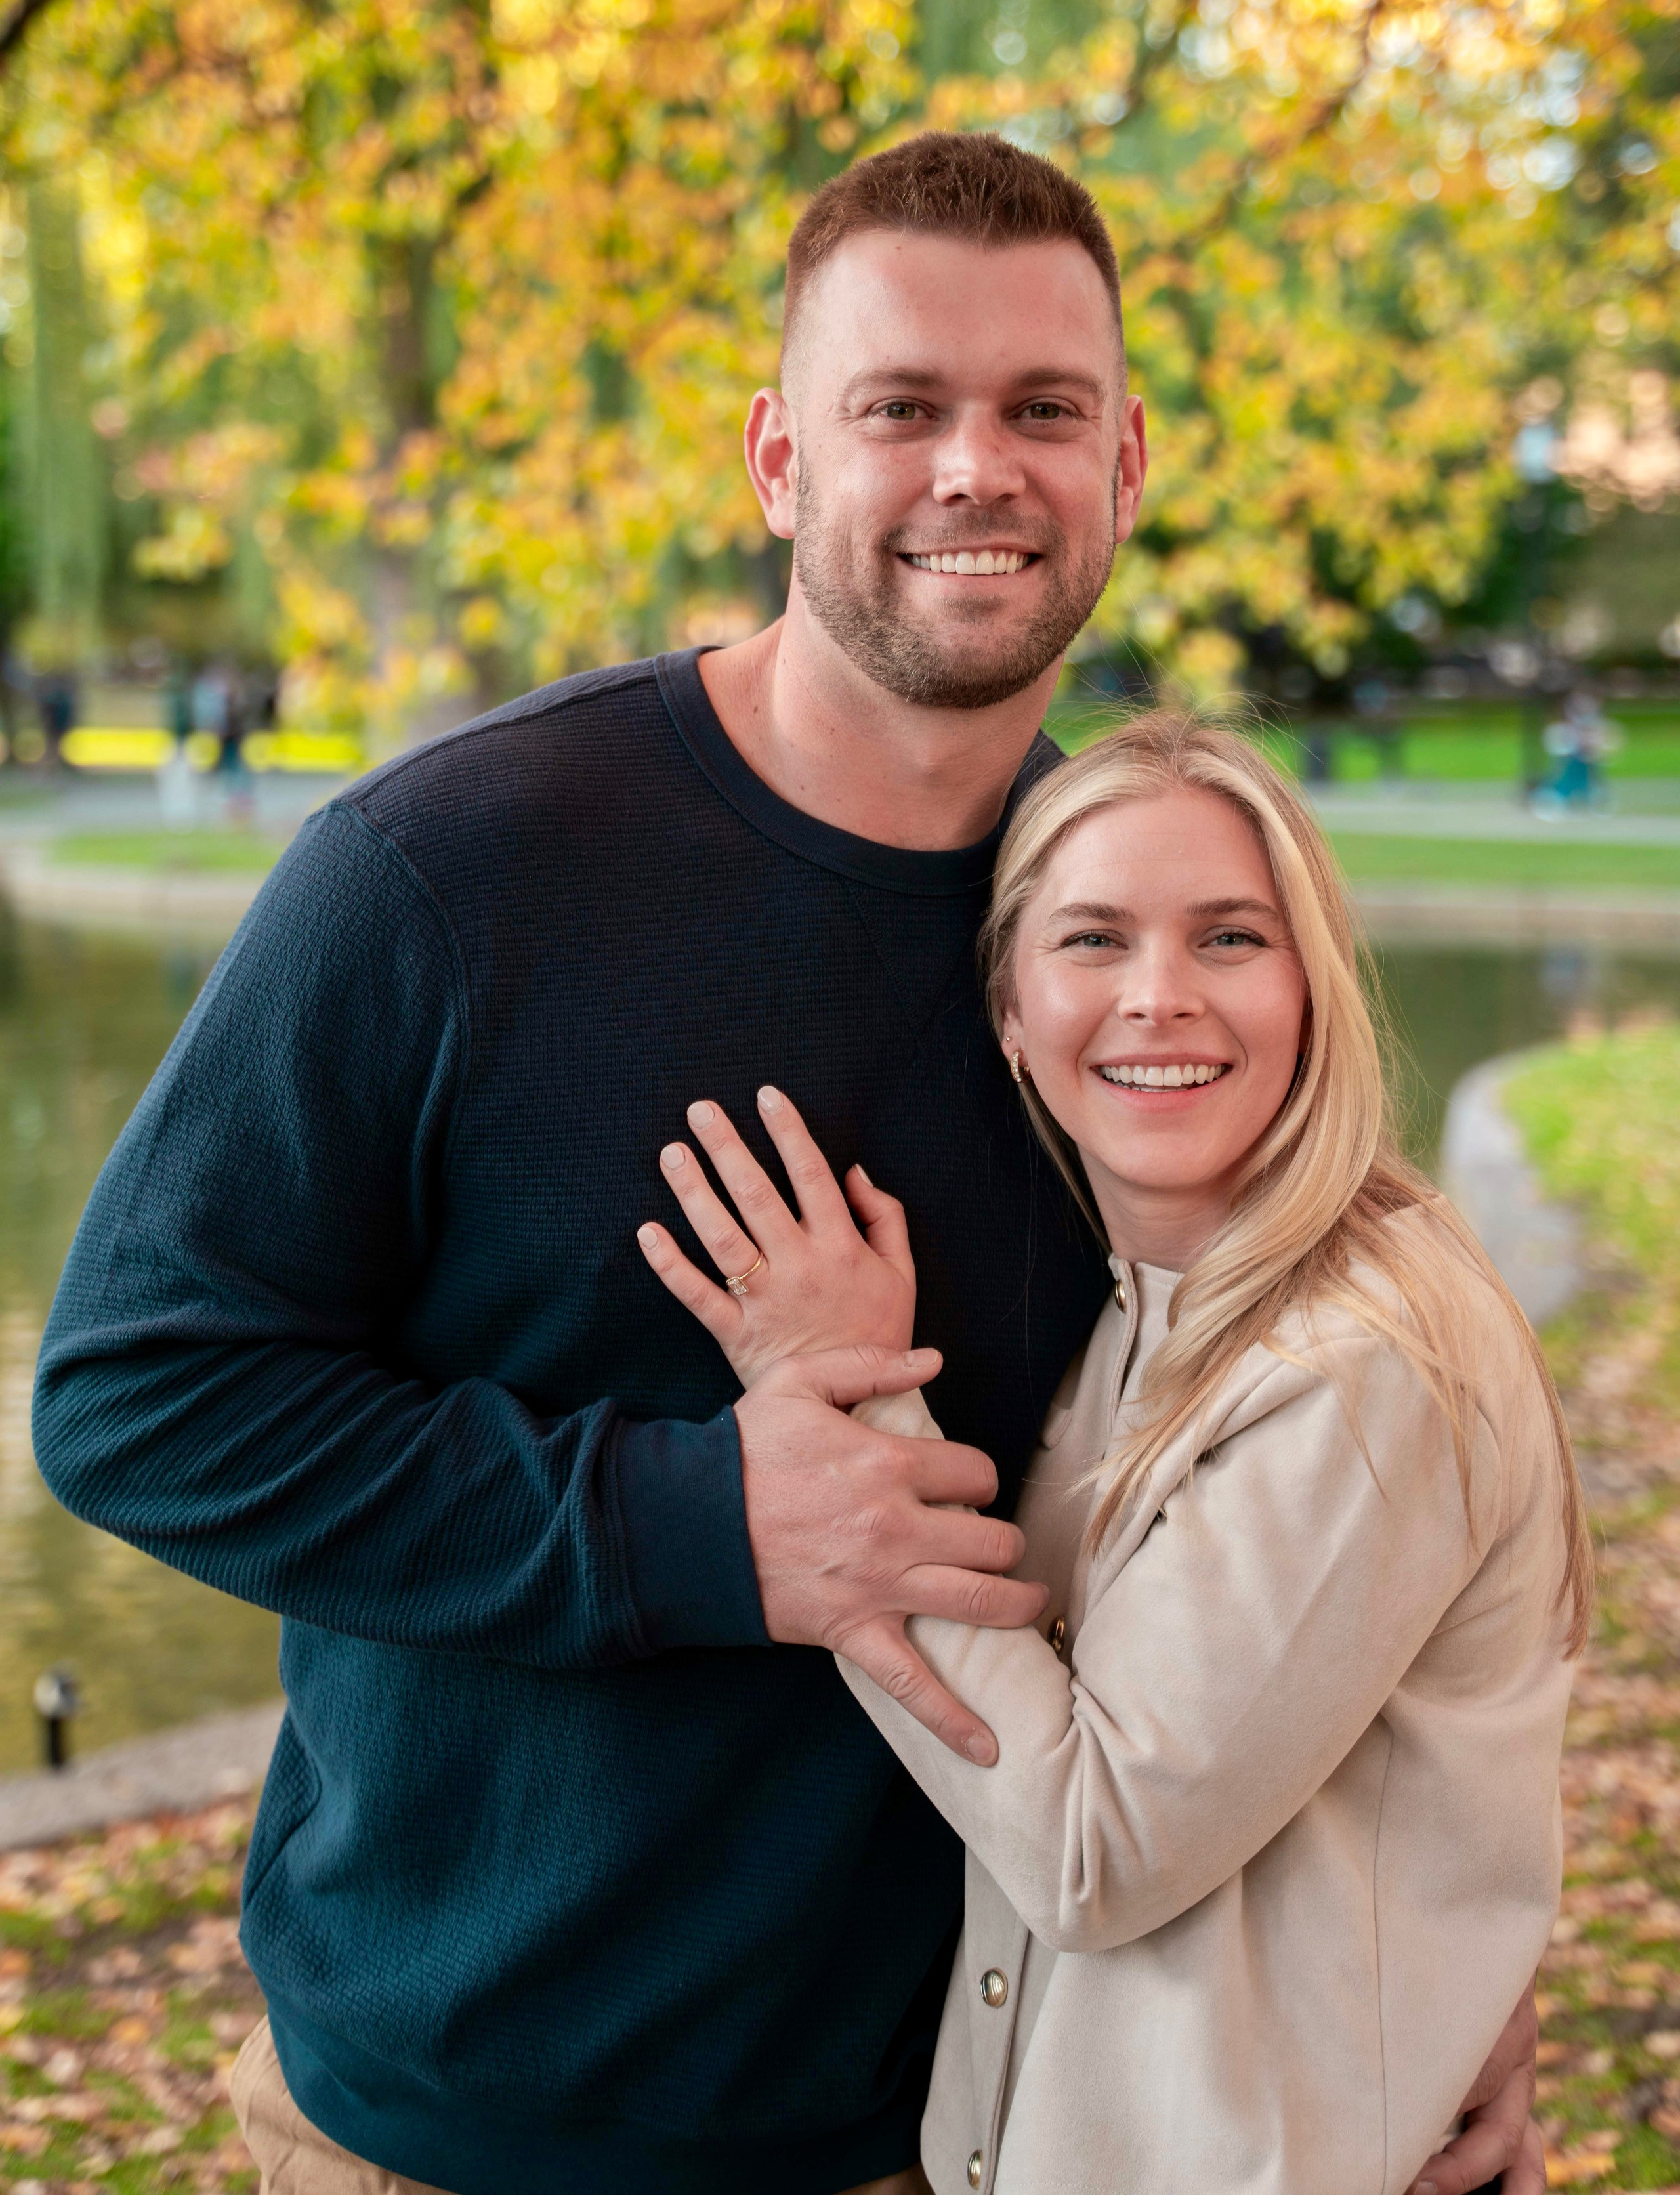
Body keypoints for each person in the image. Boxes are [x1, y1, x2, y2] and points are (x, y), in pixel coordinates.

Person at [32, 133, 1541, 2195]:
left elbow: (1277, 1513)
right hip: (466, 2129)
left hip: (948, 2127)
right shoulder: (448, 872)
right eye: (898, 407)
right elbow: (138, 1394)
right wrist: (698, 1524)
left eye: (1043, 411)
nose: (973, 469)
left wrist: (1429, 1960)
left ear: (1125, 474)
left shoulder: (1128, 960)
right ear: (777, 461)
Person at [643, 708, 1587, 2194]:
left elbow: (1095, 1843)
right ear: (1010, 1010)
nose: (1159, 997)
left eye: (1228, 938)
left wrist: (842, 1392)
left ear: (1313, 987)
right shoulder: (1135, 1305)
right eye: (1091, 940)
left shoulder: (1367, 1357)